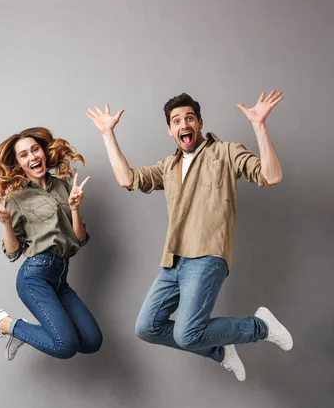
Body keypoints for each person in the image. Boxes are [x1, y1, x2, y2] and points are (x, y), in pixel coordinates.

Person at [86, 90, 292, 381]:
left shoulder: (225, 153)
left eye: (190, 118)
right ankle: (219, 351)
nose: (184, 124)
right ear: (171, 130)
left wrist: (259, 125)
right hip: (173, 260)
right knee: (147, 328)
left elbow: (271, 176)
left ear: (200, 123)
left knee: (187, 333)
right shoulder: (168, 167)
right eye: (176, 120)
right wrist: (107, 134)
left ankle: (260, 326)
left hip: (208, 255)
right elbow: (127, 178)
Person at [0, 127, 103, 361]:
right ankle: (5, 324)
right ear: (19, 164)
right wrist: (5, 223)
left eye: (35, 150)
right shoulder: (16, 197)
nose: (32, 157)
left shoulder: (63, 186)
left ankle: (23, 334)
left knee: (92, 341)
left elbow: (80, 240)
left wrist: (74, 208)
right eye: (24, 155)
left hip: (60, 278)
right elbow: (13, 253)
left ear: (43, 152)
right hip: (35, 276)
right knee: (65, 346)